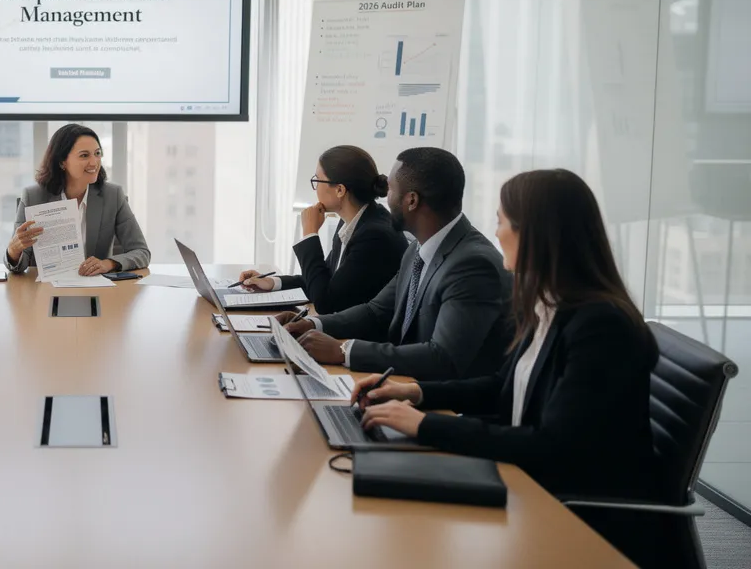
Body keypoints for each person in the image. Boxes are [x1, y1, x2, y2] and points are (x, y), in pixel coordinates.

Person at [355, 169, 659, 566]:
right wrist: (416, 392)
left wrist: (424, 425)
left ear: (534, 233)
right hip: (528, 482)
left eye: (501, 221)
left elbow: (551, 446)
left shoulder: (600, 326)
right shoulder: (550, 304)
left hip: (576, 516)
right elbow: (503, 387)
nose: (496, 233)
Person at [285, 147, 511, 380]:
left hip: (440, 397)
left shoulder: (472, 265)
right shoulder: (418, 249)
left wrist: (344, 351)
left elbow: (442, 358)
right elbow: (376, 311)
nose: (384, 197)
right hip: (403, 383)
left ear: (411, 200)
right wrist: (312, 324)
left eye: (391, 189)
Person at [237, 145, 408, 314]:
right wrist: (271, 282)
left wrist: (310, 233)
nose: (315, 188)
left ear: (340, 190)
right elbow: (322, 280)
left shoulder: (374, 236)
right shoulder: (354, 221)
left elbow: (325, 302)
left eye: (317, 181)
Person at [6, 123, 150, 275]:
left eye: (97, 153)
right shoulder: (33, 197)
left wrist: (108, 264)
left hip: (97, 285)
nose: (94, 162)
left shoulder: (113, 195)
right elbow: (18, 265)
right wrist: (13, 251)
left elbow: (142, 252)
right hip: (47, 285)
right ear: (62, 162)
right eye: (84, 155)